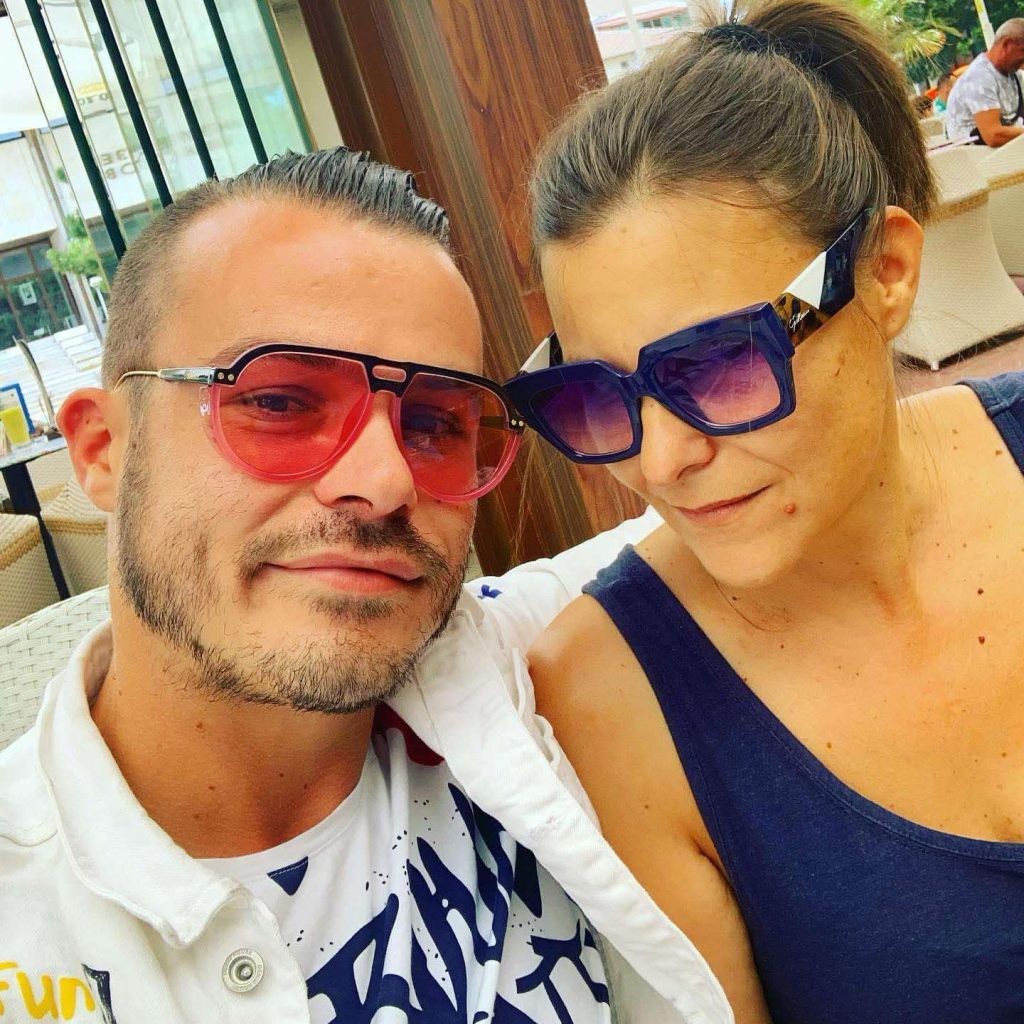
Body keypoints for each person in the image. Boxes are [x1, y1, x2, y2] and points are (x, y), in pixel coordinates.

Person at [0, 148, 731, 1023]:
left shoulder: (512, 664)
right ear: (102, 451)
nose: (385, 480)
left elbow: (737, 512)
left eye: (435, 423)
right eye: (278, 401)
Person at [505, 1, 1024, 1022]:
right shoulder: (614, 696)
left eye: (719, 362)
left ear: (885, 272)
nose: (660, 461)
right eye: (597, 396)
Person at [944, 19, 1024, 145]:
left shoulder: (1016, 76)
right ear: (1006, 44)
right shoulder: (979, 77)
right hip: (976, 153)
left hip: (1008, 150)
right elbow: (993, 135)